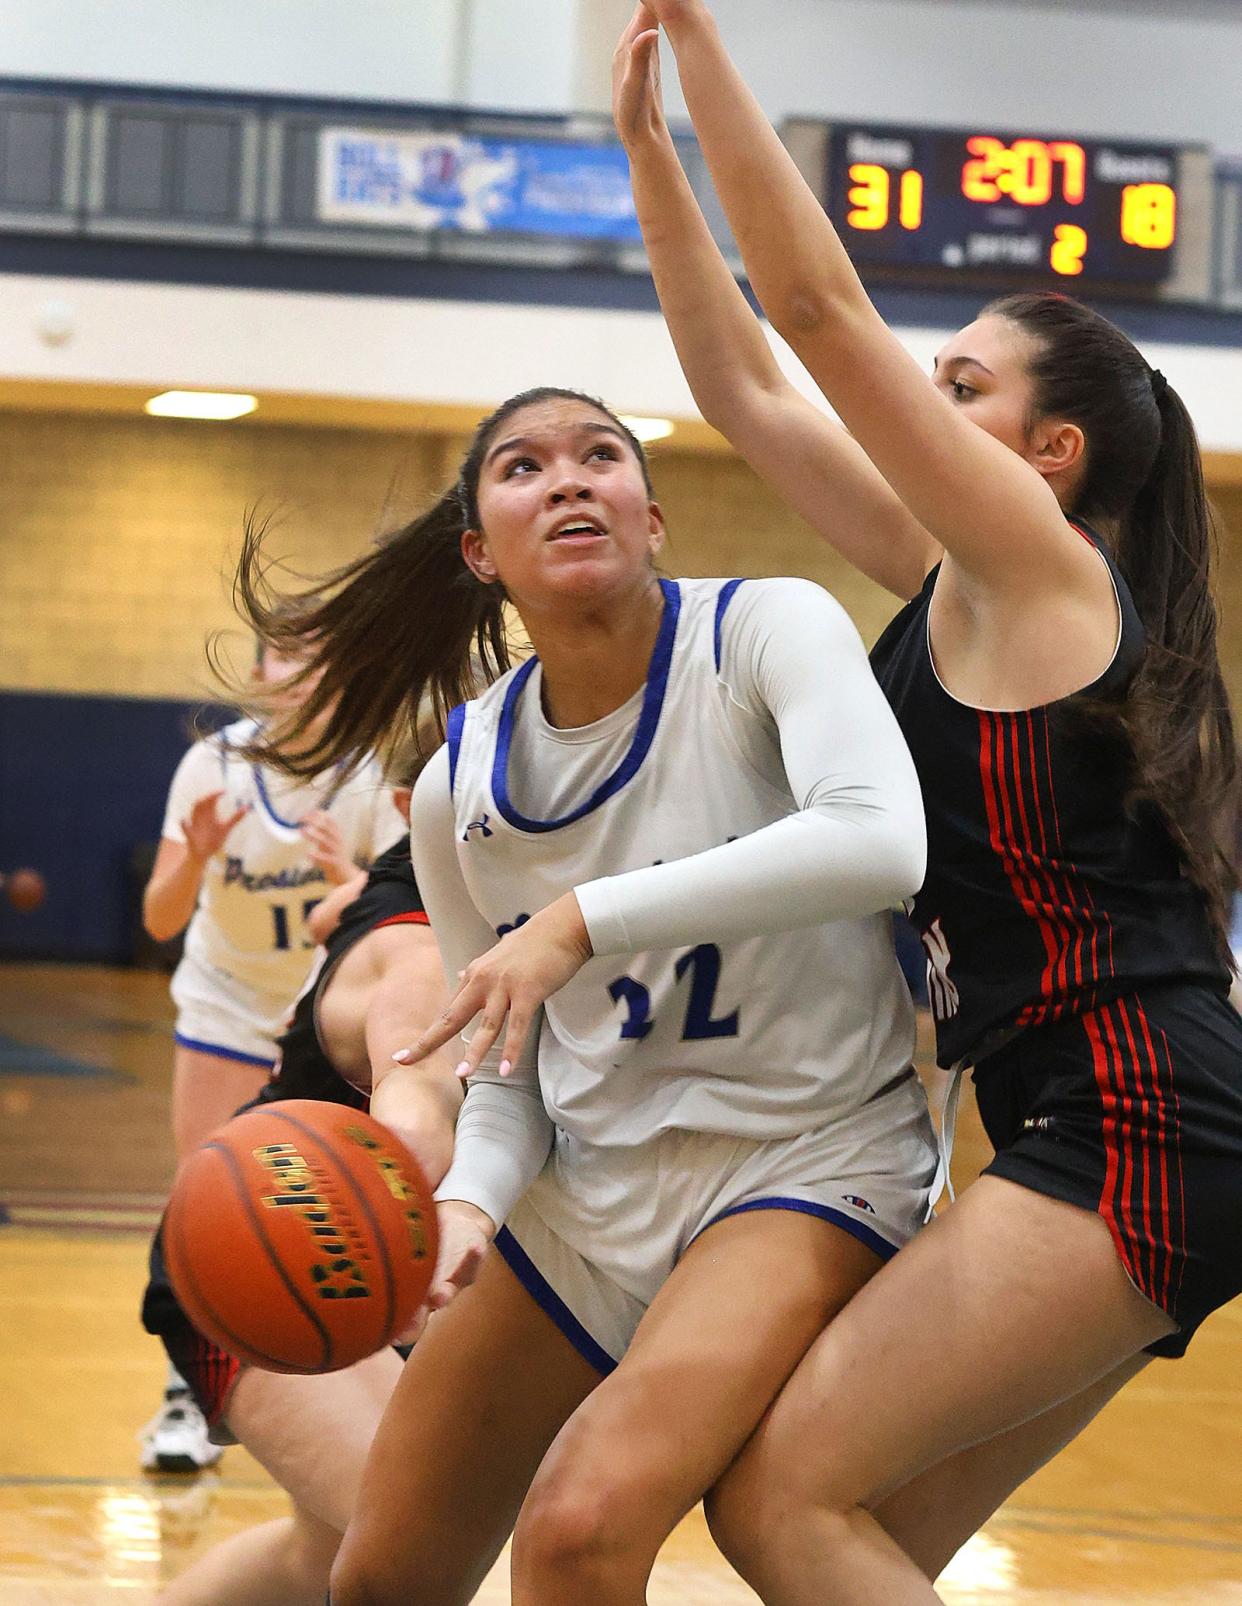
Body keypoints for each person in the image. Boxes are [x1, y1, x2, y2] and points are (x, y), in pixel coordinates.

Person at [607, 0, 1242, 1598]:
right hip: (1087, 1109)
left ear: (1050, 455)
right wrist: (647, 136)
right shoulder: (958, 578)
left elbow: (810, 305)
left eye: (954, 379)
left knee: (779, 1503)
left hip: (1134, 1106)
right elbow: (741, 370)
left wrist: (703, 19)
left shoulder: (1052, 582)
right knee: (861, 1535)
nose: (915, 387)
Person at [231, 384, 935, 1606]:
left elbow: (881, 843)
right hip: (591, 1182)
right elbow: (505, 1065)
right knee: (382, 1572)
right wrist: (464, 1204)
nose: (567, 478)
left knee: (577, 1526)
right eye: (523, 467)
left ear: (651, 516)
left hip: (802, 1157)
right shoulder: (462, 781)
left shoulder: (765, 630)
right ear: (479, 552)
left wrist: (579, 919)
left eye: (600, 455)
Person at [143, 806, 461, 1605]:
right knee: (412, 1543)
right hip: (281, 1249)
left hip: (419, 1275)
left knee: (314, 1562)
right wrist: (412, 1156)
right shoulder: (414, 928)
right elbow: (409, 1065)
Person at [140, 638, 397, 1472]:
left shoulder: (367, 766)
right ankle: (187, 1400)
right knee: (202, 1200)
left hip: (323, 1016)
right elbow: (160, 918)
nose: (308, 668)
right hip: (224, 1006)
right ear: (259, 674)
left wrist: (346, 873)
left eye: (325, 651)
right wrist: (201, 856)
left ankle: (363, 1381)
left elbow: (393, 906)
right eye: (287, 653)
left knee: (350, 1201)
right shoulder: (212, 766)